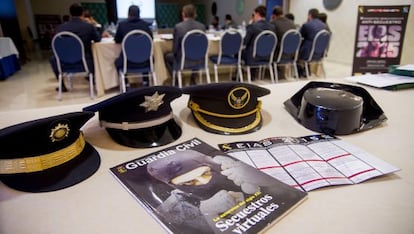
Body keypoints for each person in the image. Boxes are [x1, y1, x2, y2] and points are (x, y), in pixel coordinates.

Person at [49, 3, 101, 92]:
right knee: (94, 55)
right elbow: (98, 39)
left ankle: (62, 85)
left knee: (53, 58)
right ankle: (93, 81)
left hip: (64, 62)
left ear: (70, 13)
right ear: (82, 13)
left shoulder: (61, 28)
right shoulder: (88, 27)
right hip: (85, 61)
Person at [164, 4, 206, 86]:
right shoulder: (202, 27)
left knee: (167, 56)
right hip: (199, 60)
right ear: (195, 14)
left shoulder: (178, 27)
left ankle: (176, 78)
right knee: (194, 55)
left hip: (184, 60)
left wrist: (175, 54)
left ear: (183, 14)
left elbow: (175, 49)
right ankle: (192, 79)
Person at [114, 5, 153, 87]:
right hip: (146, 62)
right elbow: (151, 39)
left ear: (128, 14)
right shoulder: (146, 25)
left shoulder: (122, 25)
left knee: (117, 62)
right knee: (144, 54)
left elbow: (117, 40)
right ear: (139, 14)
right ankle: (146, 82)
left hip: (127, 62)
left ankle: (126, 84)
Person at [297, 8, 327, 77]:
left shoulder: (307, 25)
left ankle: (300, 72)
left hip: (309, 53)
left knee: (297, 51)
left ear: (309, 15)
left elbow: (299, 36)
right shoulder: (324, 26)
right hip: (320, 53)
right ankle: (306, 71)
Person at [270, 6, 296, 79]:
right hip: (292, 53)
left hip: (279, 54)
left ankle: (274, 73)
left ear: (274, 15)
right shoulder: (292, 23)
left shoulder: (273, 23)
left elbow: (271, 38)